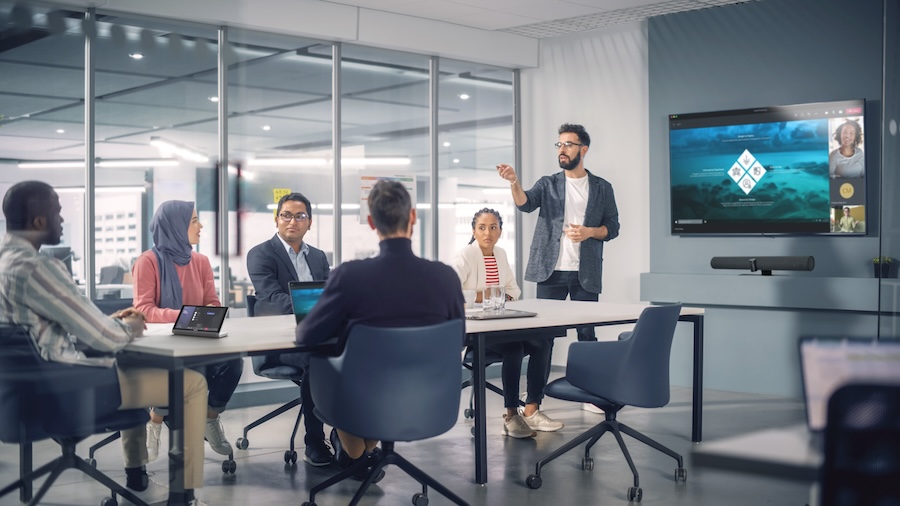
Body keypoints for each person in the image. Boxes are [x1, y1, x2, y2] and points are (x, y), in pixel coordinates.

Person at [0, 181, 208, 501]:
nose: (62, 219)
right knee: (191, 384)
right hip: (63, 392)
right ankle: (185, 495)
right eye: (57, 212)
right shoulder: (38, 267)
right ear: (39, 221)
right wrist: (131, 326)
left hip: (17, 394)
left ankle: (136, 472)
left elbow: (35, 329)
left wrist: (107, 323)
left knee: (130, 364)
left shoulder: (4, 263)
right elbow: (107, 340)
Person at [290, 180, 465, 478]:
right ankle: (364, 453)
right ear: (413, 218)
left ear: (372, 223)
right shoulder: (445, 277)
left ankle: (356, 454)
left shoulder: (350, 276)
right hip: (429, 400)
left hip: (363, 401)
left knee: (331, 368)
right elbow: (458, 339)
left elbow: (306, 336)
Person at [497, 123, 619, 414]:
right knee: (542, 339)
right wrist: (514, 182)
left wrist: (590, 232)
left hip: (585, 272)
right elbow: (525, 205)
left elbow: (613, 228)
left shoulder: (602, 188)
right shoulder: (548, 183)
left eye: (568, 144)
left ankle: (590, 393)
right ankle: (533, 403)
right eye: (559, 145)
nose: (562, 150)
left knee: (586, 335)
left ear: (583, 149)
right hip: (549, 271)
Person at [132, 200, 241, 462]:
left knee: (233, 363)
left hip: (197, 340)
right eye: (194, 221)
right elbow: (144, 310)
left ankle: (210, 418)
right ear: (175, 226)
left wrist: (202, 315)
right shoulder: (147, 262)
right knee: (182, 370)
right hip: (161, 346)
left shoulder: (201, 261)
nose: (201, 226)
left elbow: (212, 303)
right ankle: (155, 420)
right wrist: (186, 317)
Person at [451, 208, 563, 438]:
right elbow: (450, 291)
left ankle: (532, 409)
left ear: (500, 231)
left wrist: (497, 295)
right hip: (477, 330)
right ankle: (511, 416)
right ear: (474, 230)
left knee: (542, 343)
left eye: (493, 227)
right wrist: (488, 295)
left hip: (502, 322)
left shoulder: (500, 254)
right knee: (515, 348)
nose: (487, 232)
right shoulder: (465, 256)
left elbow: (513, 290)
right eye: (482, 227)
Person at [246, 191, 332, 467]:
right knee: (317, 358)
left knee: (353, 350)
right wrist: (318, 307)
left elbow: (331, 295)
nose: (292, 221)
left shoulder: (318, 257)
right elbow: (272, 299)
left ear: (310, 222)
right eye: (286, 215)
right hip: (279, 343)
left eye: (300, 216)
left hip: (318, 335)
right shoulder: (260, 254)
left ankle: (350, 434)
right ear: (276, 220)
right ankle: (315, 441)